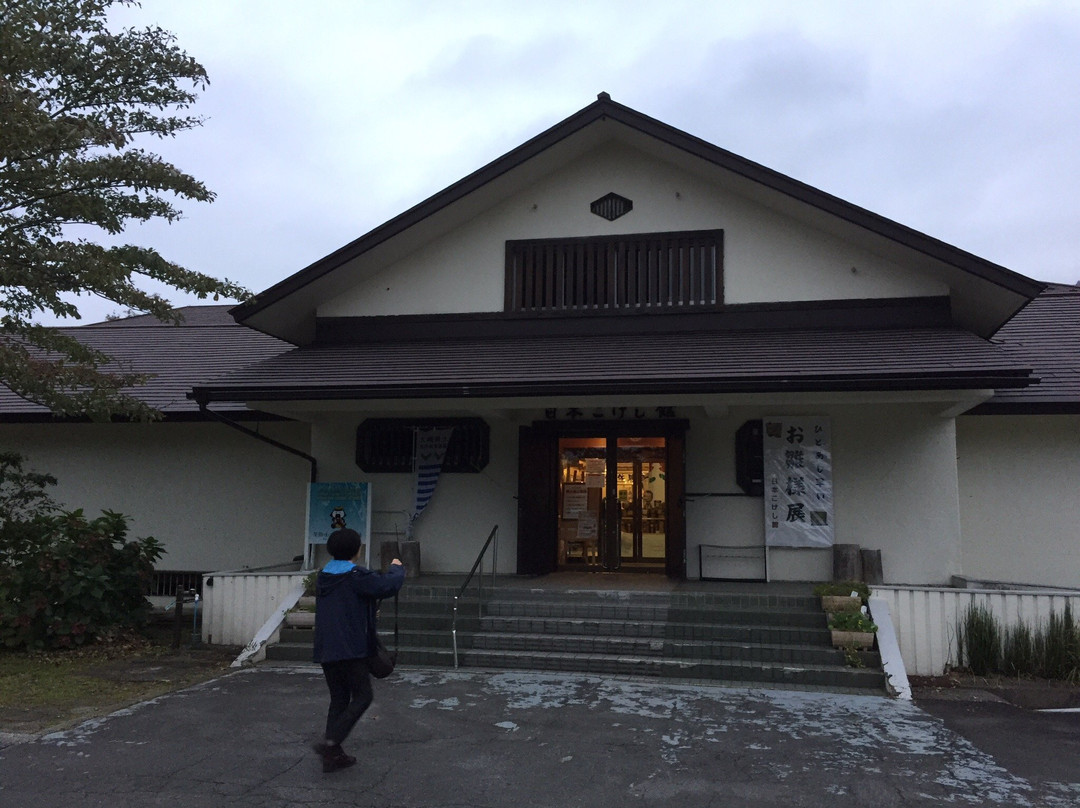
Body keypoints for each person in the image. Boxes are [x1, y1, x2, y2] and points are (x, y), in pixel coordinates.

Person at [312, 527, 405, 773]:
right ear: (357, 550)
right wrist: (397, 567)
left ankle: (333, 756)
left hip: (327, 648)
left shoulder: (324, 576)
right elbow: (388, 586)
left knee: (339, 698)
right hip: (351, 648)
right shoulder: (355, 576)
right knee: (363, 696)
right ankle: (330, 741)